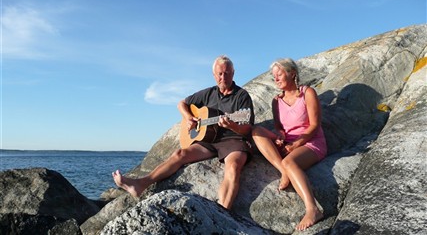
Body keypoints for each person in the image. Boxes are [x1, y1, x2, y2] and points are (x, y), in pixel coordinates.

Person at [112, 55, 255, 210]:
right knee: (180, 154)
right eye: (220, 73)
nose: (223, 77)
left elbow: (247, 128)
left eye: (227, 73)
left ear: (233, 73)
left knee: (233, 167)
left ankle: (222, 212)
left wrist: (233, 125)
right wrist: (189, 118)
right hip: (210, 139)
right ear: (214, 75)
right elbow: (182, 103)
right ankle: (140, 184)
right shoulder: (208, 93)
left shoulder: (242, 96)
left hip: (233, 140)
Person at [252, 58, 327, 231]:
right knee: (256, 131)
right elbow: (279, 126)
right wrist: (280, 135)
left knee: (289, 162)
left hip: (310, 141)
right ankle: (284, 170)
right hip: (288, 141)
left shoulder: (307, 93)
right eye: (274, 76)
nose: (276, 79)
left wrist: (296, 144)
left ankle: (313, 209)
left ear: (292, 73)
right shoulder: (276, 101)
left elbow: (315, 125)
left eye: (279, 74)